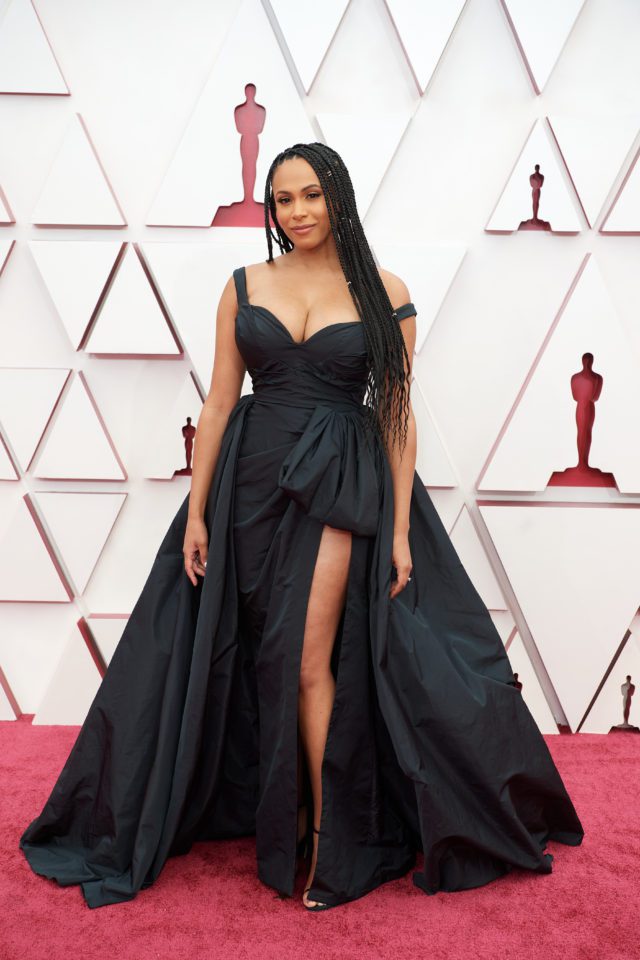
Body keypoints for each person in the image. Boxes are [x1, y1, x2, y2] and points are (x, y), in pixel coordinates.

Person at [19, 141, 584, 912]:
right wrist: (196, 511)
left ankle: (328, 840)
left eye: (311, 195)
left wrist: (400, 532)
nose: (297, 212)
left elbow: (392, 411)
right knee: (255, 652)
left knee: (308, 658)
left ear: (338, 197)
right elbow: (218, 403)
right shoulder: (244, 284)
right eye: (283, 199)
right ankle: (278, 810)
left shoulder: (386, 292)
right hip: (249, 482)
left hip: (337, 484)